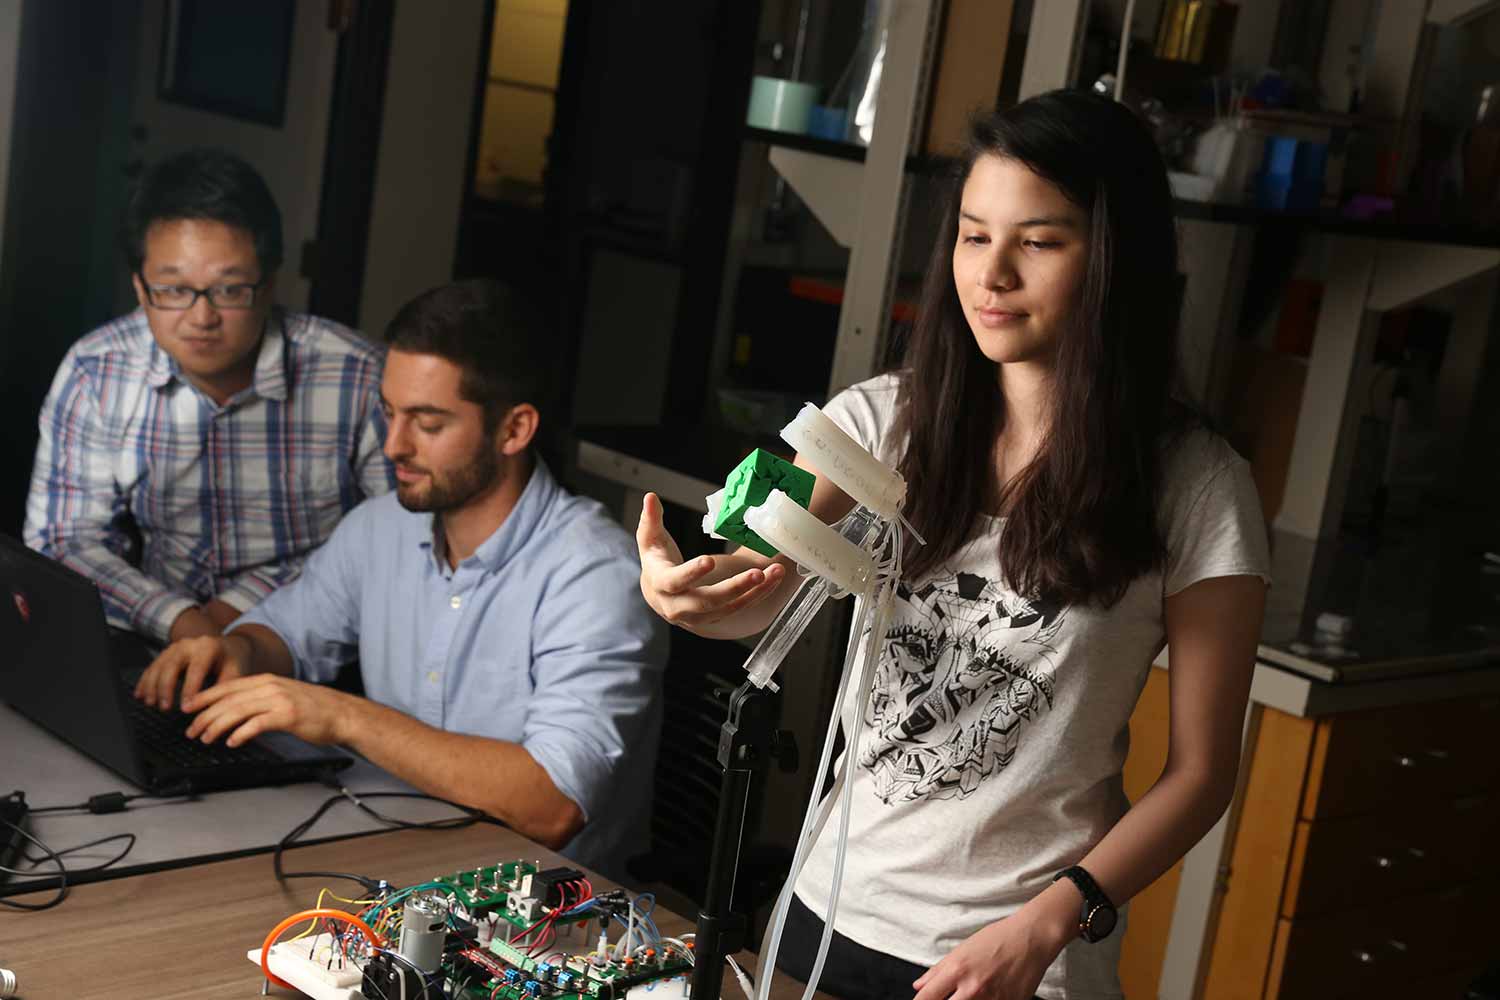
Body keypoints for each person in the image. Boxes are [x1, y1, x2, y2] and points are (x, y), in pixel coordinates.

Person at [636, 90, 1270, 1000]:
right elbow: (758, 589)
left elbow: (1203, 773)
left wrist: (1050, 922)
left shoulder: (1198, 486)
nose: (992, 274)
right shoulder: (876, 425)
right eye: (975, 236)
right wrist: (682, 587)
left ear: (1115, 261)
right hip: (828, 910)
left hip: (1019, 952)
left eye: (1039, 242)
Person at [133, 279, 667, 875]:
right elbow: (285, 634)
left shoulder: (595, 573)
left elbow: (553, 805)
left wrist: (342, 716)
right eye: (388, 413)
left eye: (428, 423)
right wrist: (231, 651)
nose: (393, 445)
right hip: (378, 853)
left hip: (537, 915)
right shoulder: (379, 528)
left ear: (515, 430)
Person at [24, 148, 392, 644]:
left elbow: (397, 541)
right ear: (139, 286)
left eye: (230, 290)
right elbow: (64, 539)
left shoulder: (360, 376)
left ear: (268, 284)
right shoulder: (98, 370)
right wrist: (178, 621)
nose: (201, 318)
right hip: (149, 640)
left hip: (310, 649)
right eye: (173, 290)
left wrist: (226, 615)